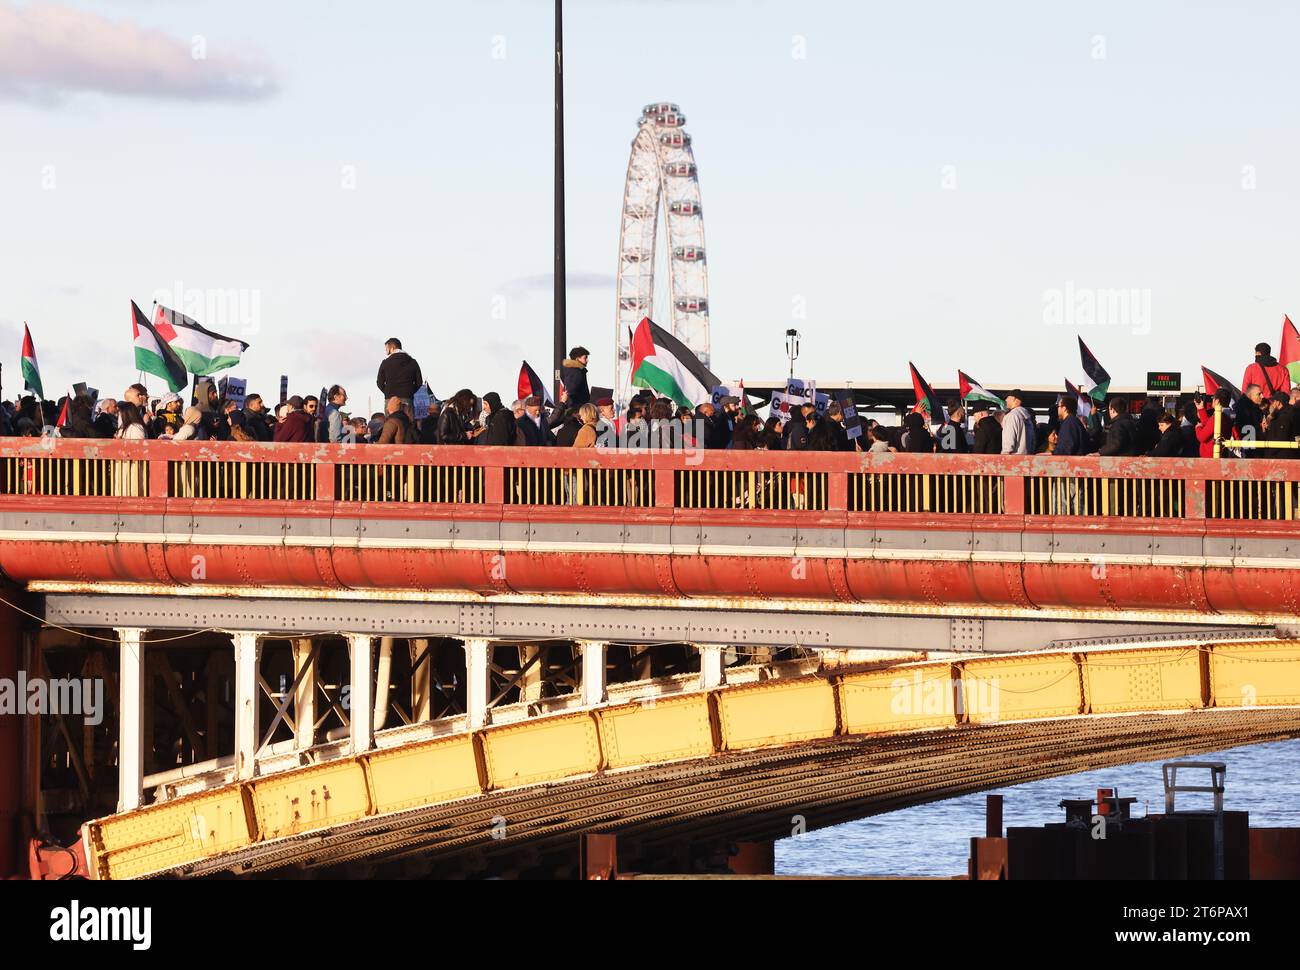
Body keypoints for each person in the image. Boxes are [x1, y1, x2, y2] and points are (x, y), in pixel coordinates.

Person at [376, 337, 423, 404]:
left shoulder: (385, 363)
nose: (386, 350)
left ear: (392, 348)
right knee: (407, 415)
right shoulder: (412, 362)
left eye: (386, 348)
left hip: (390, 400)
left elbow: (379, 382)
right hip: (407, 398)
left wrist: (388, 392)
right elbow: (419, 382)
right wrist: (409, 392)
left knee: (392, 415)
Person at [1000, 390, 1035, 454]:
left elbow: (1008, 444)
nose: (1006, 400)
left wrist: (1004, 454)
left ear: (1014, 399)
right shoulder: (1028, 417)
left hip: (1013, 459)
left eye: (1007, 397)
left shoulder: (1011, 416)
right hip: (1027, 458)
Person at [1234, 384, 1265, 450]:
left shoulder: (1253, 406)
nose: (1262, 396)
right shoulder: (1243, 408)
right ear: (1250, 395)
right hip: (1248, 448)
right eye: (1259, 394)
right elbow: (1246, 428)